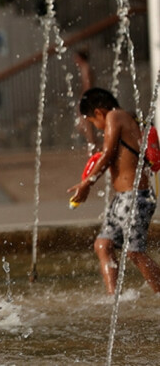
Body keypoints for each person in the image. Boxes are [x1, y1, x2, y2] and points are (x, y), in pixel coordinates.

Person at [67, 88, 160, 294]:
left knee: (135, 252)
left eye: (92, 121)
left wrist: (87, 184)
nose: (97, 127)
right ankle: (113, 298)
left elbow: (108, 154)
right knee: (103, 244)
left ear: (99, 112)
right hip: (122, 199)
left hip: (135, 197)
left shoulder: (115, 116)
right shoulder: (123, 118)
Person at [74, 49, 99, 154]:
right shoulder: (85, 68)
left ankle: (94, 145)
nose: (74, 60)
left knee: (86, 123)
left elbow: (87, 84)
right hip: (88, 96)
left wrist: (84, 98)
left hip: (87, 97)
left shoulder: (85, 68)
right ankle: (93, 145)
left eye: (76, 57)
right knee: (84, 124)